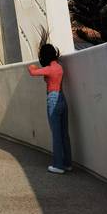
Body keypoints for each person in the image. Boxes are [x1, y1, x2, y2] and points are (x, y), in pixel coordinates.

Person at [27, 30, 72, 174]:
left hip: (53, 100)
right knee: (65, 134)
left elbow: (32, 72)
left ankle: (58, 166)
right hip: (62, 99)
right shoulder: (59, 67)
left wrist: (32, 66)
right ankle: (67, 164)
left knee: (56, 135)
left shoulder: (49, 69)